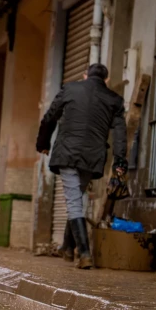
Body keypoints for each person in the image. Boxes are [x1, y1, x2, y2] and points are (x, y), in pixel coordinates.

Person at [36, 63, 127, 269]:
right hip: (92, 157)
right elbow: (121, 135)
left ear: (86, 76)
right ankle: (68, 249)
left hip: (67, 152)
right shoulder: (114, 100)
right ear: (107, 80)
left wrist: (43, 143)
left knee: (74, 201)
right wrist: (120, 162)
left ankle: (84, 253)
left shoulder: (70, 88)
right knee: (77, 198)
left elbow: (50, 116)